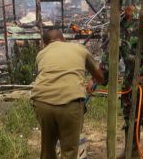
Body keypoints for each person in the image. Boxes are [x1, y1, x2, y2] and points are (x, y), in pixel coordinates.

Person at [99, 5, 143, 159]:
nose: (118, 7)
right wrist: (98, 78)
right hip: (131, 78)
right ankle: (132, 151)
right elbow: (110, 54)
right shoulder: (118, 25)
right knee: (130, 114)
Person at [31, 29, 105, 159]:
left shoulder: (41, 54)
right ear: (63, 39)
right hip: (70, 102)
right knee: (69, 150)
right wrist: (94, 80)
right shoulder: (80, 49)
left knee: (47, 148)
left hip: (41, 102)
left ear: (45, 43)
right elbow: (100, 77)